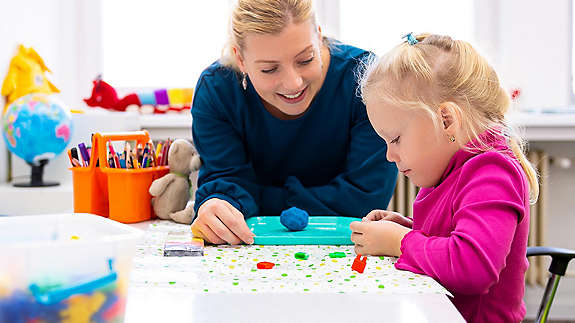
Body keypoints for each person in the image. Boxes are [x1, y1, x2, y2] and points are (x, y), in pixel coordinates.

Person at [350, 33, 538, 322]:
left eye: (396, 139)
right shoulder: (451, 166)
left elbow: (473, 267)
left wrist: (401, 242)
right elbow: (458, 236)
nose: (389, 155)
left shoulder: (493, 172)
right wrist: (409, 228)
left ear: (446, 119)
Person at [190, 0, 398, 245]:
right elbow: (224, 185)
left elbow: (365, 199)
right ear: (241, 59)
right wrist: (216, 206)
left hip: (348, 248)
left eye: (306, 59)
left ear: (319, 37)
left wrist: (256, 198)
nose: (293, 83)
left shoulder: (365, 80)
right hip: (251, 250)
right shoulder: (217, 91)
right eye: (269, 69)